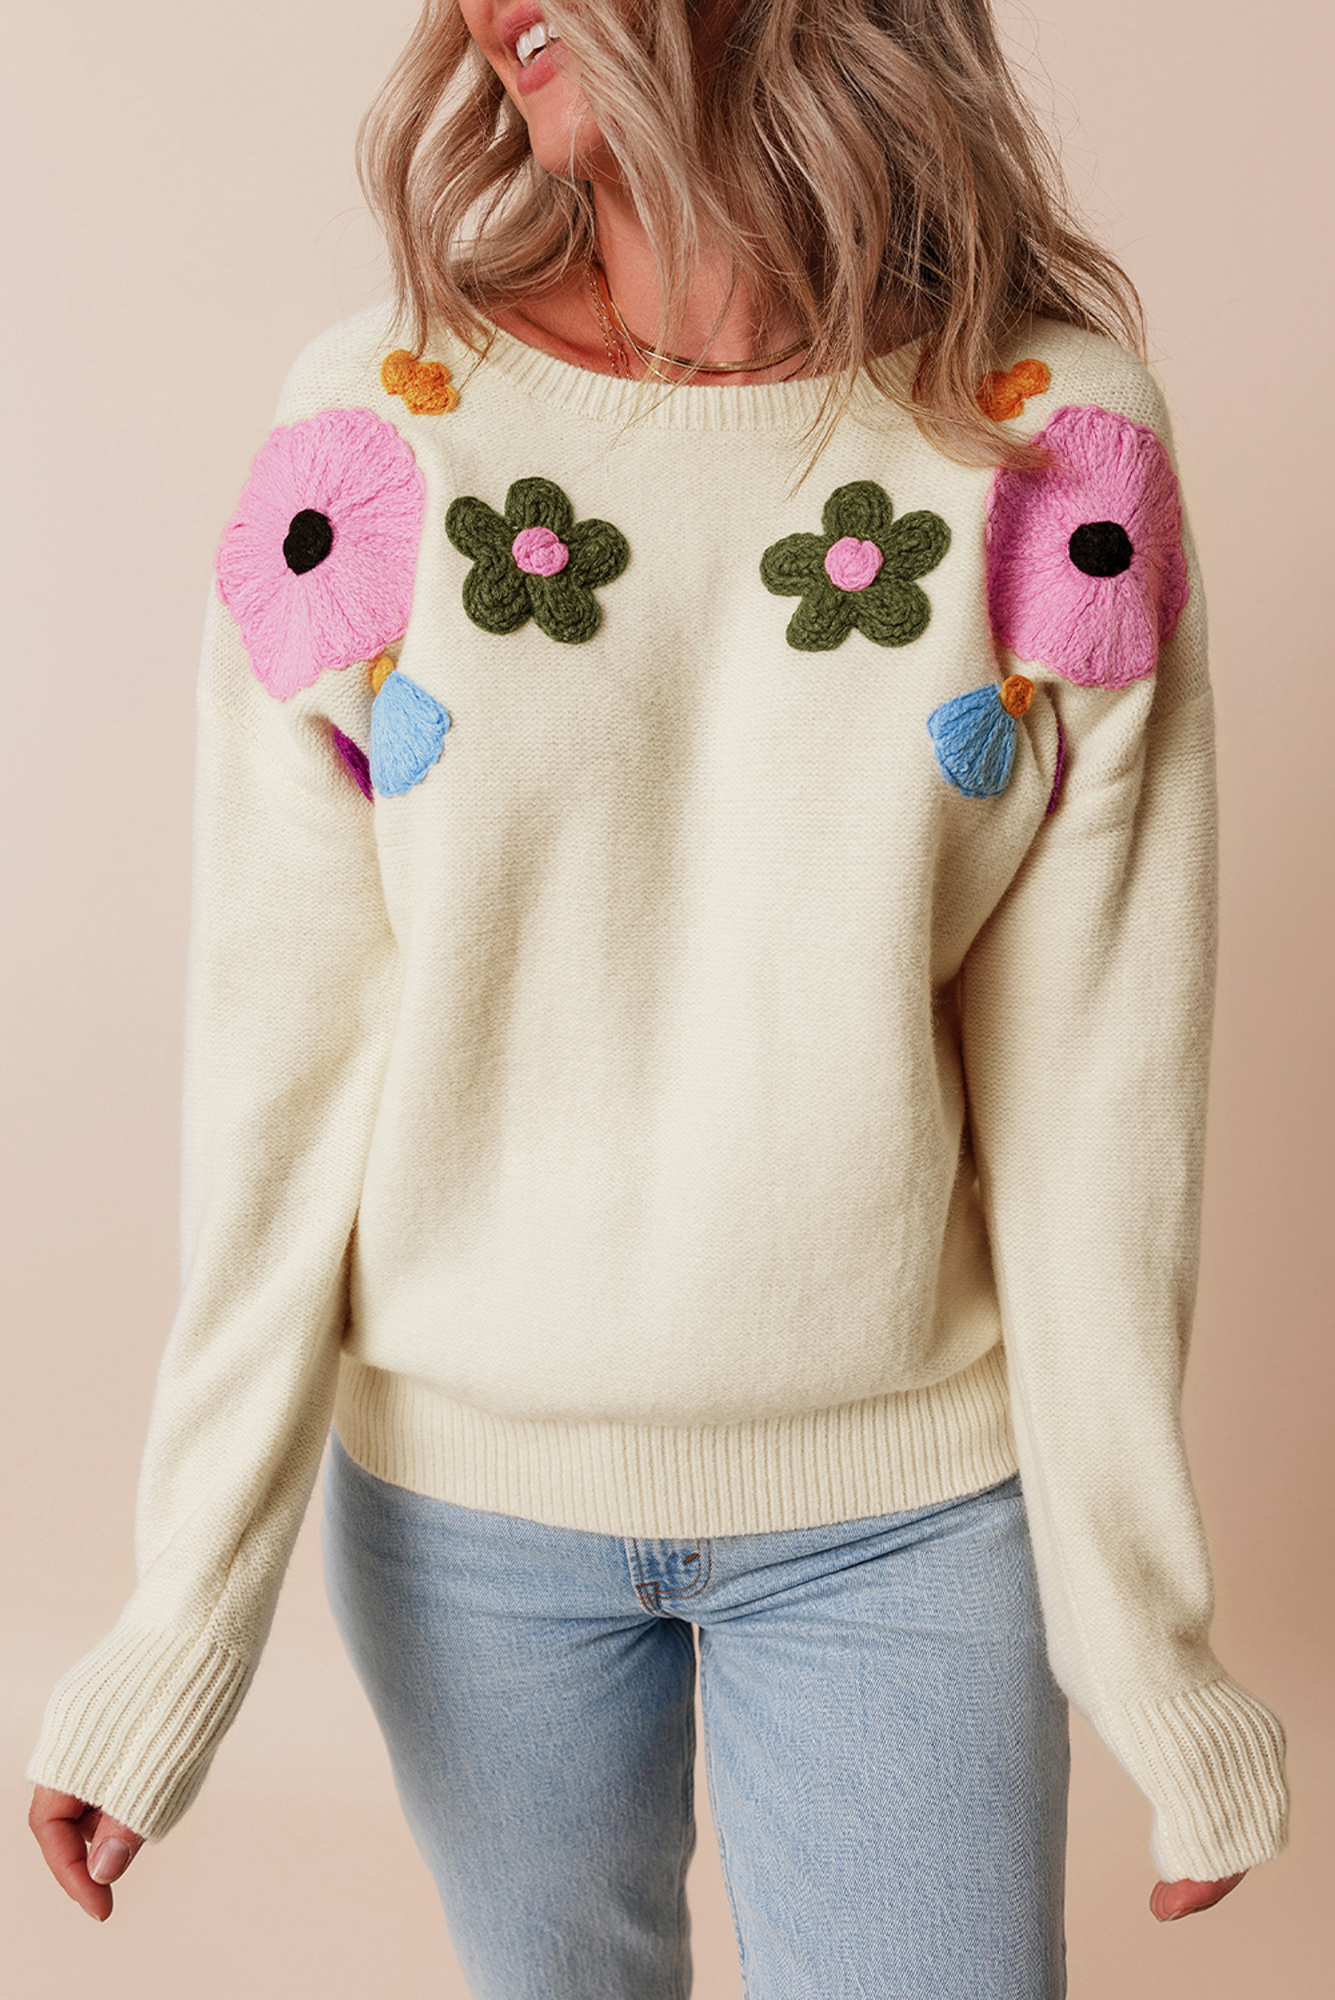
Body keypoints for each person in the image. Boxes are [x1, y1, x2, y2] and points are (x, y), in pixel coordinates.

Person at [27, 1, 1288, 1993]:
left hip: (909, 1516)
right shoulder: (372, 432)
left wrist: (1153, 1651)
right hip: (463, 1525)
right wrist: (176, 1623)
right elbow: (280, 1082)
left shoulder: (1056, 450)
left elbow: (1100, 1105)